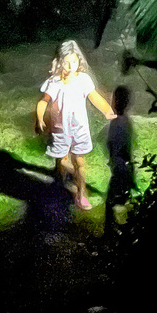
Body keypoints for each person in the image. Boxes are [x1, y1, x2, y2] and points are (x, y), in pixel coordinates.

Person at [35, 40, 115, 210]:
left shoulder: (83, 80)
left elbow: (94, 97)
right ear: (59, 62)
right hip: (60, 129)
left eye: (74, 61)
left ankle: (81, 194)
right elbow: (44, 101)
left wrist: (107, 110)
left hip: (79, 129)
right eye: (67, 61)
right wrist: (40, 118)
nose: (71, 65)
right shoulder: (54, 83)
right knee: (62, 160)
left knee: (80, 162)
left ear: (79, 61)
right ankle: (60, 182)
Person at [104, 85, 137, 235]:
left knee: (112, 202)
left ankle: (112, 230)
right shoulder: (124, 122)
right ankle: (117, 228)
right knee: (120, 198)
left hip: (120, 167)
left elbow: (117, 146)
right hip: (123, 166)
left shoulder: (119, 123)